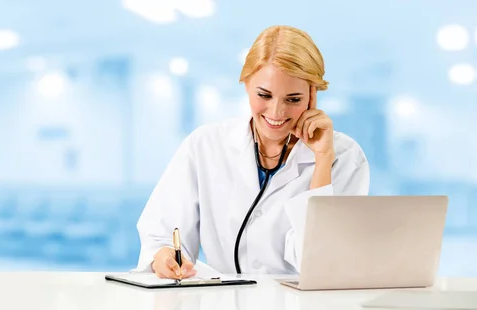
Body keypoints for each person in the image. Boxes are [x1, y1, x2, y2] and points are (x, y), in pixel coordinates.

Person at [134, 25, 370, 279]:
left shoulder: (344, 157)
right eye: (264, 95)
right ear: (246, 84)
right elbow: (162, 234)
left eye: (293, 99)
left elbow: (321, 262)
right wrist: (164, 256)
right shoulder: (204, 145)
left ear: (313, 95)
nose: (276, 112)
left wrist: (323, 161)